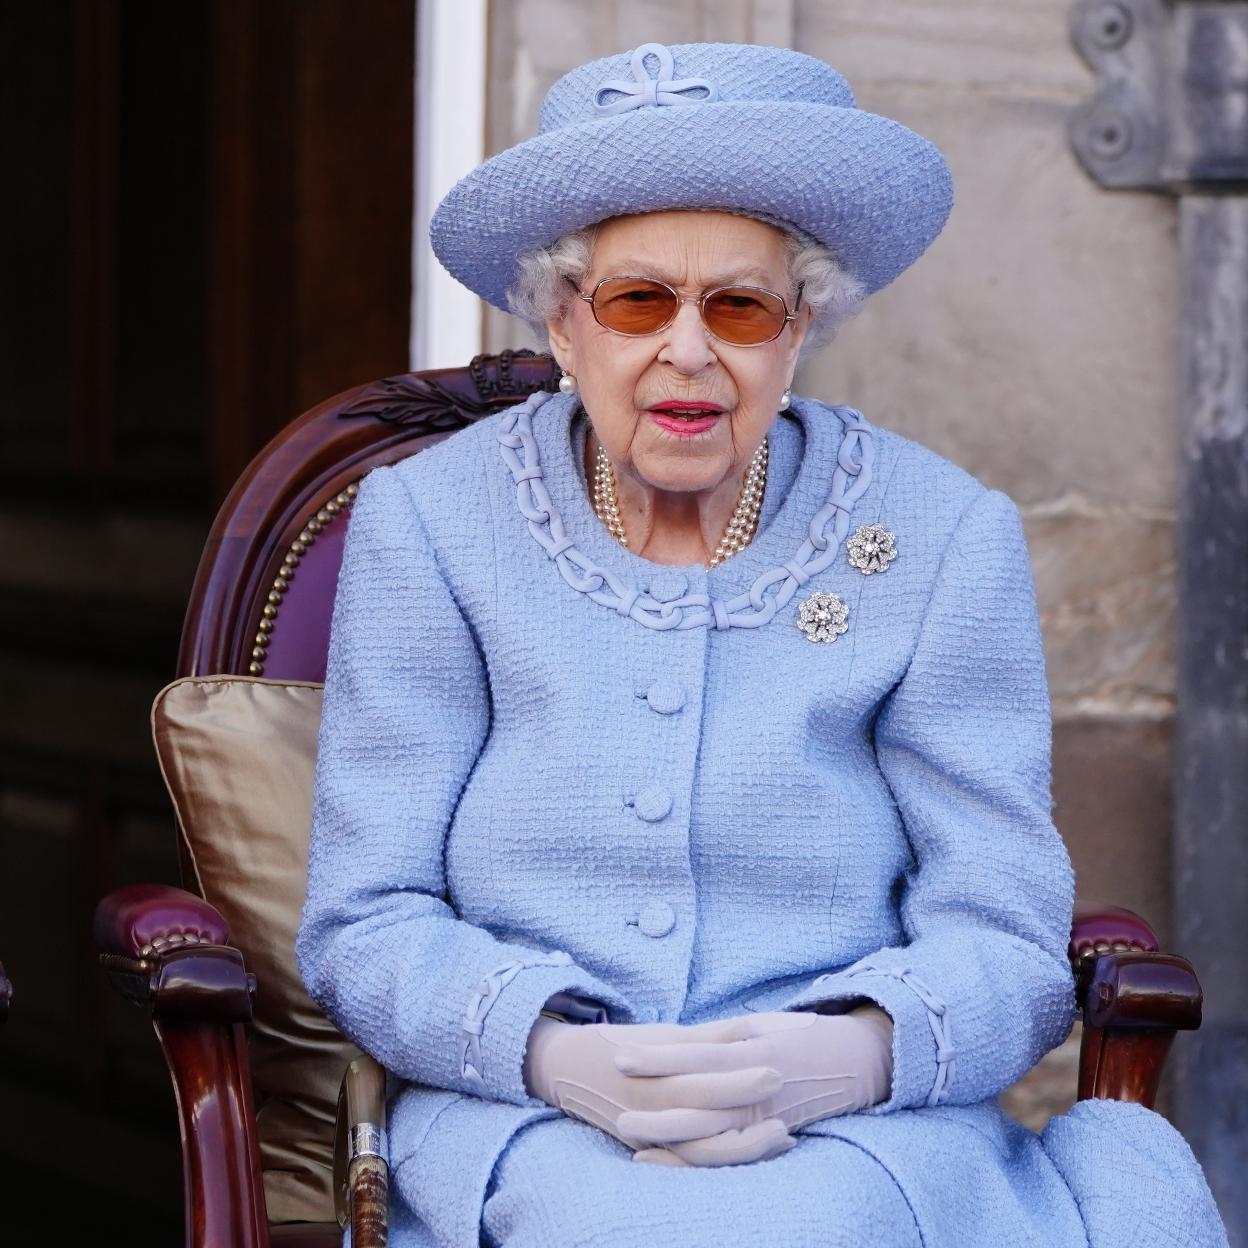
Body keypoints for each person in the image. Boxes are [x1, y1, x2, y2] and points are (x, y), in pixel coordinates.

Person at [297, 41, 1226, 1248]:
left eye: (739, 306)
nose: (689, 351)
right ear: (564, 325)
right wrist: (554, 1052)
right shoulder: (428, 524)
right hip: (534, 1122)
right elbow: (364, 919)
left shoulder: (946, 536)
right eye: (639, 302)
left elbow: (1005, 933)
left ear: (800, 332)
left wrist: (851, 1055)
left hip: (861, 1137)